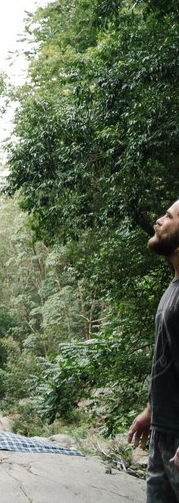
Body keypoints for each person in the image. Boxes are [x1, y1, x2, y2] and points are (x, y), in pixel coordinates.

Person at [127, 197, 179, 502]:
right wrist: (151, 409)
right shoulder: (173, 288)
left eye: (169, 217)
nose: (158, 220)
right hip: (164, 428)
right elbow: (168, 360)